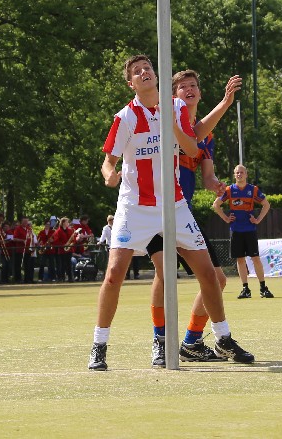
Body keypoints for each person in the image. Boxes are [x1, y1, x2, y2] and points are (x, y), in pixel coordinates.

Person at [88, 55, 253, 370]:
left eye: (147, 68)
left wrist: (172, 124)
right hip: (135, 207)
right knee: (113, 274)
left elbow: (192, 148)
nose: (144, 72)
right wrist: (109, 175)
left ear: (156, 74)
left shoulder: (175, 107)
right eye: (137, 71)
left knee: (210, 274)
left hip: (174, 205)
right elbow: (108, 161)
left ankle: (222, 337)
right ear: (131, 83)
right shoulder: (125, 117)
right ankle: (99, 345)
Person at [214, 164, 272, 299]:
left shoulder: (253, 190)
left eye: (241, 172)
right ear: (234, 175)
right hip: (236, 230)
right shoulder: (229, 190)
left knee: (255, 258)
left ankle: (263, 288)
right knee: (240, 259)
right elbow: (216, 205)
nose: (239, 174)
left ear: (246, 174)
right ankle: (245, 289)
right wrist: (226, 218)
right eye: (237, 173)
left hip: (250, 229)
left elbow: (266, 204)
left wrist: (258, 220)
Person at [8, 216, 34, 283]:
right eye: (24, 221)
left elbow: (32, 238)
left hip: (28, 250)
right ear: (21, 222)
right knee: (18, 265)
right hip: (20, 250)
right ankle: (18, 279)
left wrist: (32, 245)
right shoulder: (18, 229)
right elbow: (14, 238)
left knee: (27, 265)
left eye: (26, 221)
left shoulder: (29, 228)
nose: (25, 223)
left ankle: (27, 279)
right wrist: (22, 240)